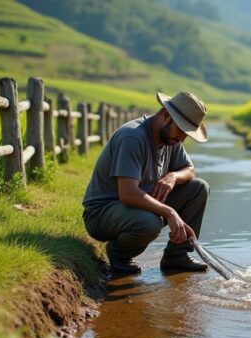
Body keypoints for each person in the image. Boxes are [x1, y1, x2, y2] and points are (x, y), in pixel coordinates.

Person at [82, 91, 210, 274]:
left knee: (199, 188)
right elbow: (128, 194)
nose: (182, 139)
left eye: (187, 134)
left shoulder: (170, 139)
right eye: (181, 130)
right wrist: (170, 212)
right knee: (149, 223)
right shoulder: (133, 137)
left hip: (138, 205)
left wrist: (172, 177)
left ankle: (177, 257)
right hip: (103, 213)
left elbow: (189, 170)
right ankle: (119, 255)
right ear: (166, 115)